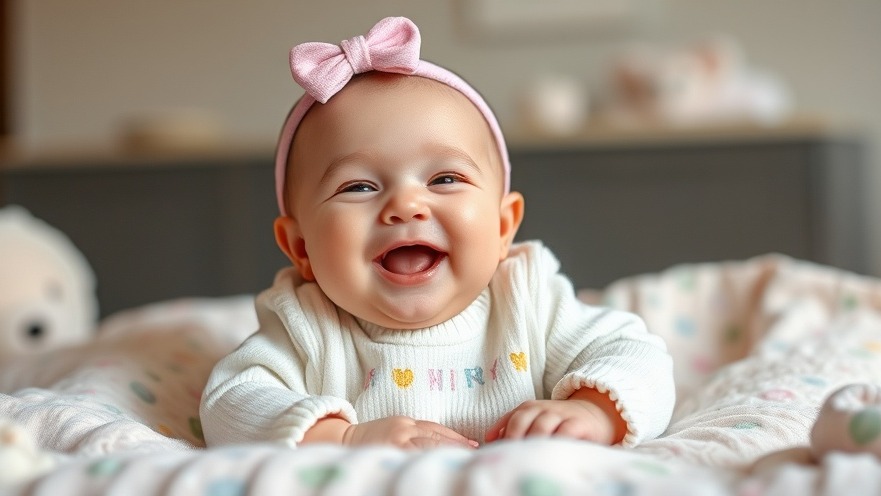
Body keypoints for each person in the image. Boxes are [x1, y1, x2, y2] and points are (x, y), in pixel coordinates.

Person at [200, 16, 675, 450]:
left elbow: (638, 357)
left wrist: (590, 410)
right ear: (301, 248)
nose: (406, 205)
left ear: (503, 226)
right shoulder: (306, 325)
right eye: (359, 186)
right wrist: (341, 437)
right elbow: (231, 402)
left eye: (444, 179)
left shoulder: (527, 298)